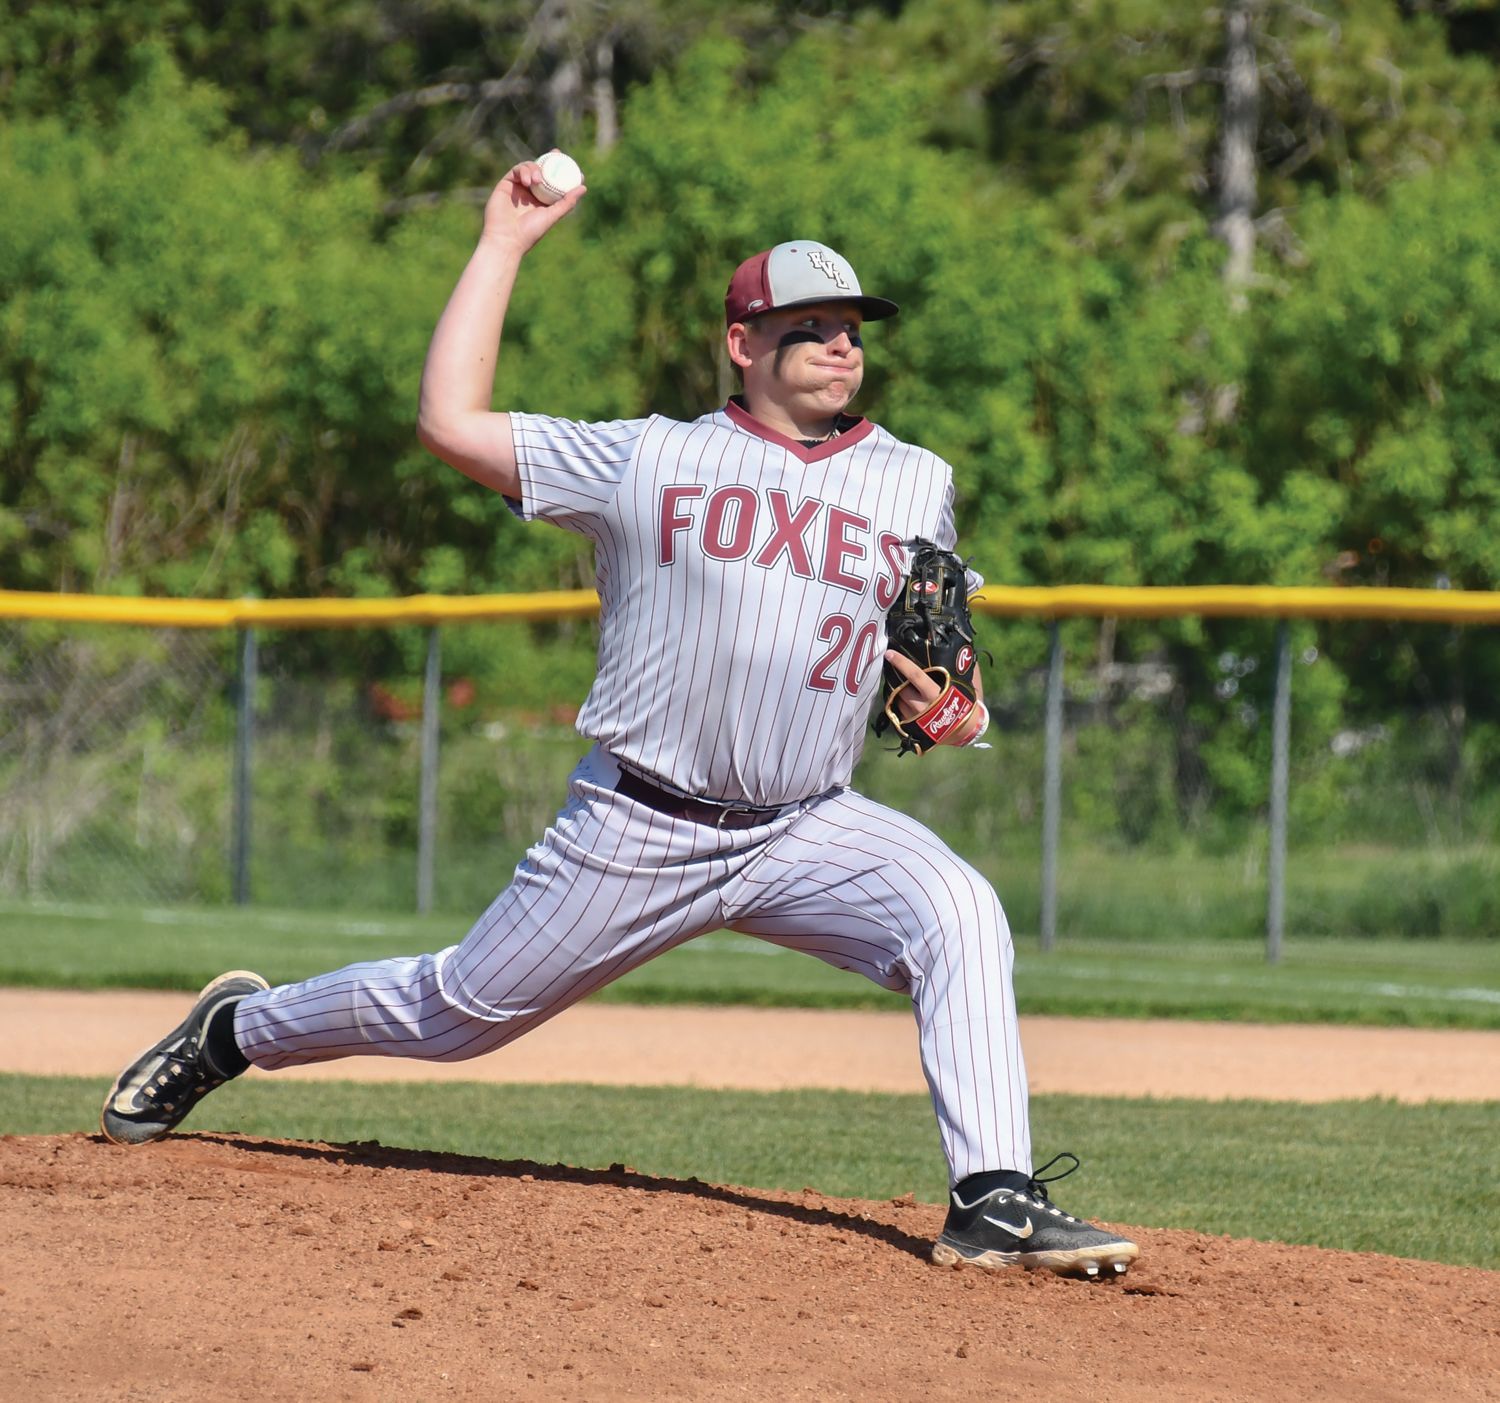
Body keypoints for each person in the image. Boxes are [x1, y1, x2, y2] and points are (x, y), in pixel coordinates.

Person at [101, 157, 1138, 1280]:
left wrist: (954, 715)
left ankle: (994, 1198)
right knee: (459, 1012)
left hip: (806, 824)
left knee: (960, 910)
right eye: (810, 327)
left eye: (852, 326)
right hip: (637, 824)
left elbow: (933, 663)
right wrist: (503, 243)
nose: (842, 344)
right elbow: (449, 420)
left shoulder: (915, 478)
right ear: (743, 343)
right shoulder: (646, 456)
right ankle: (235, 1031)